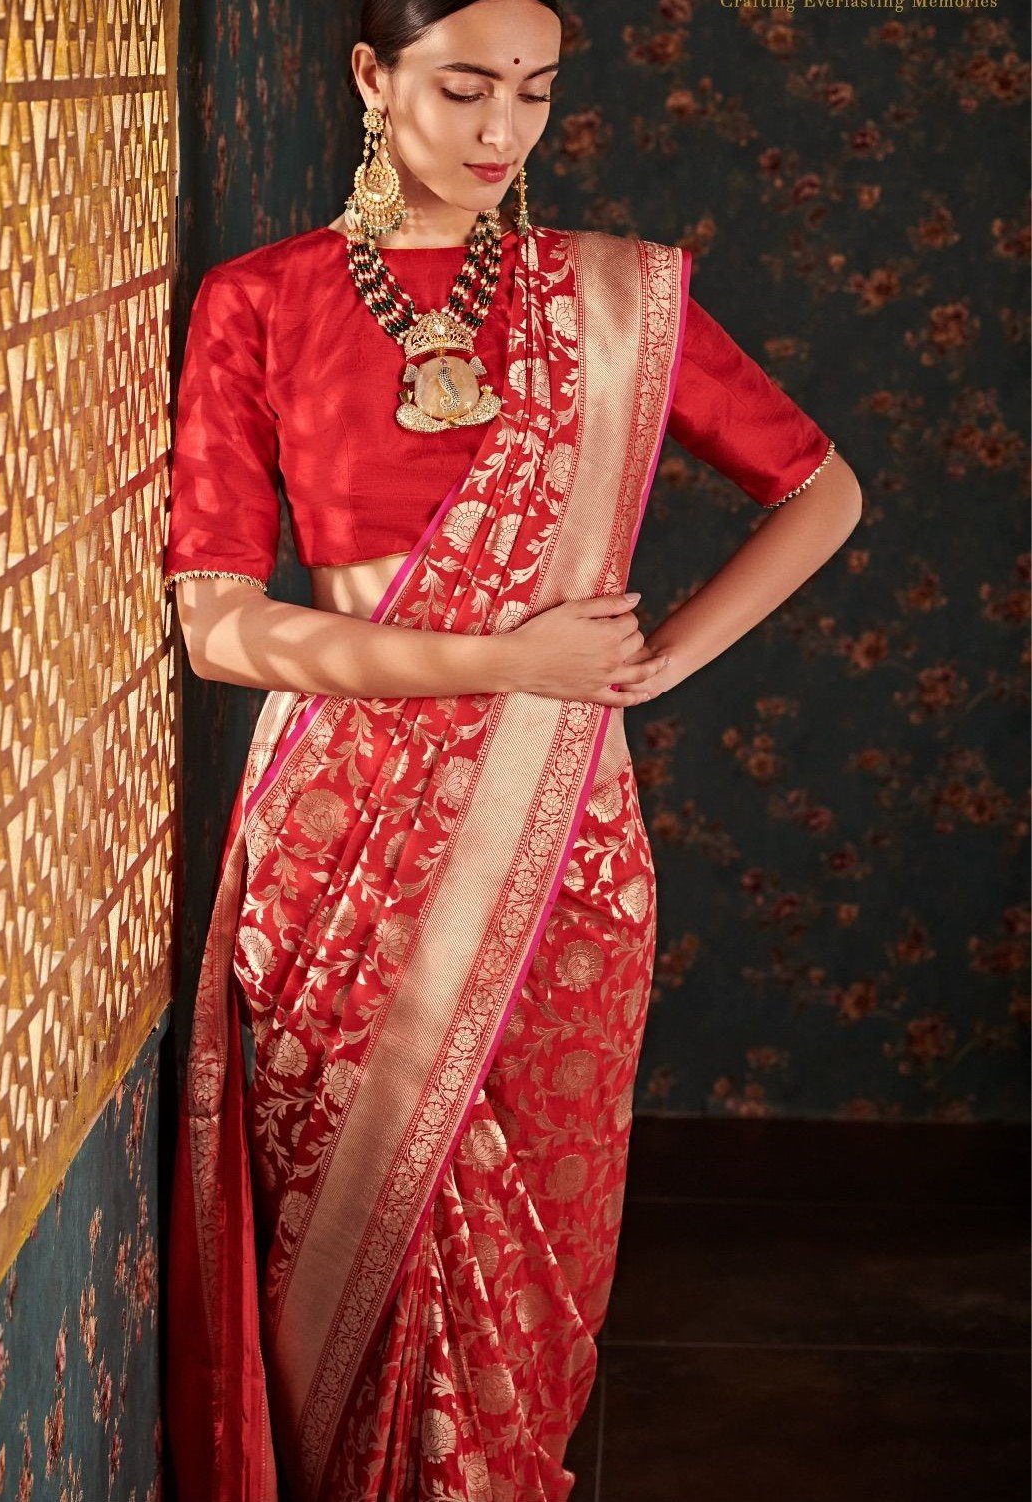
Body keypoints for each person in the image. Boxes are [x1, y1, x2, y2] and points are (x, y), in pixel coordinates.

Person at [162, 2, 863, 1498]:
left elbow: (821, 490)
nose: (500, 133)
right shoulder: (260, 301)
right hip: (336, 849)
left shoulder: (610, 298)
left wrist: (649, 665)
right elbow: (222, 629)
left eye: (534, 97)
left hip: (561, 834)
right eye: (464, 88)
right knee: (352, 1241)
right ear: (372, 76)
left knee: (523, 1263)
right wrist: (504, 662)